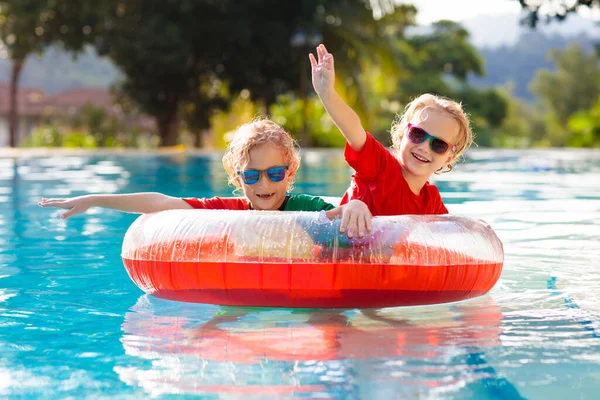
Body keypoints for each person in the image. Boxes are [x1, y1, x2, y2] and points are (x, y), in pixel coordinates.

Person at [39, 117, 372, 237]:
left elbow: (343, 211)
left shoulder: (304, 207)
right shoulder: (231, 212)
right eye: (252, 176)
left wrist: (355, 205)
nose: (265, 185)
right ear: (236, 176)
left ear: (290, 172)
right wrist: (95, 199)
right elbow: (162, 203)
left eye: (274, 173)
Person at [309, 44, 474, 216]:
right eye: (417, 134)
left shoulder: (431, 201)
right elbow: (354, 129)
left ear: (450, 157)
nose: (424, 147)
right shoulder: (381, 168)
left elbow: (448, 235)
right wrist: (327, 93)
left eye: (439, 144)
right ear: (403, 134)